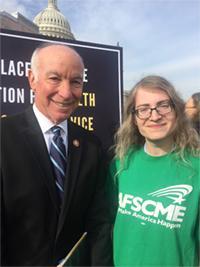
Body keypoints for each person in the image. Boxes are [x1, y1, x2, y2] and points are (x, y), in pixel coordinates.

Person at [1, 43, 113, 266]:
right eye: (55, 78)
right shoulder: (4, 137)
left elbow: (98, 222)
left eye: (76, 82)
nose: (66, 92)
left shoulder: (92, 145)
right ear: (32, 79)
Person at [108, 75, 200, 266]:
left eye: (164, 105)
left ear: (177, 110)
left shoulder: (196, 168)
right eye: (143, 109)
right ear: (133, 118)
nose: (155, 115)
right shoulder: (121, 164)